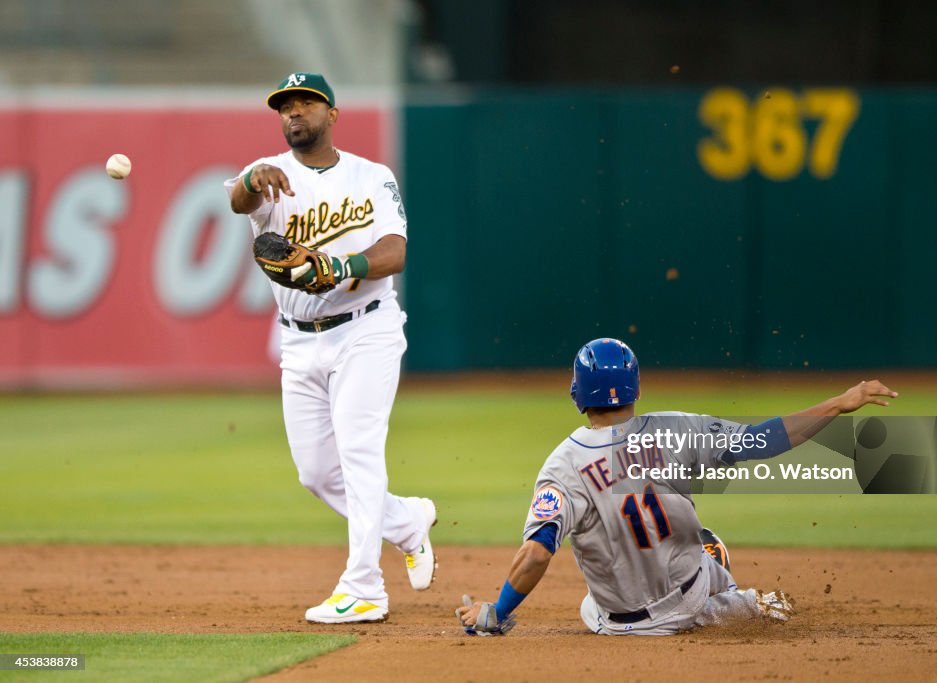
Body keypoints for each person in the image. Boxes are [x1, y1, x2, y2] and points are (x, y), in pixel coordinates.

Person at [456, 338, 898, 636]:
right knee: (739, 574)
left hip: (616, 621)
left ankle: (707, 582)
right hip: (689, 602)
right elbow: (763, 442)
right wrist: (840, 403)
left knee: (589, 604)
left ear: (577, 393)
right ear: (637, 388)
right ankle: (727, 589)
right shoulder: (676, 429)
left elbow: (535, 554)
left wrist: (495, 614)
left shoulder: (562, 464)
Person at [224, 72, 436, 624]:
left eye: (307, 103)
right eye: (286, 106)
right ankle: (406, 522)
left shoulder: (371, 176)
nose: (295, 112)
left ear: (332, 114)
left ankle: (364, 587)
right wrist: (250, 175)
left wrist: (342, 265)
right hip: (299, 342)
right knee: (316, 473)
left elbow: (395, 251)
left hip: (366, 329)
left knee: (359, 452)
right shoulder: (268, 180)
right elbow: (238, 200)